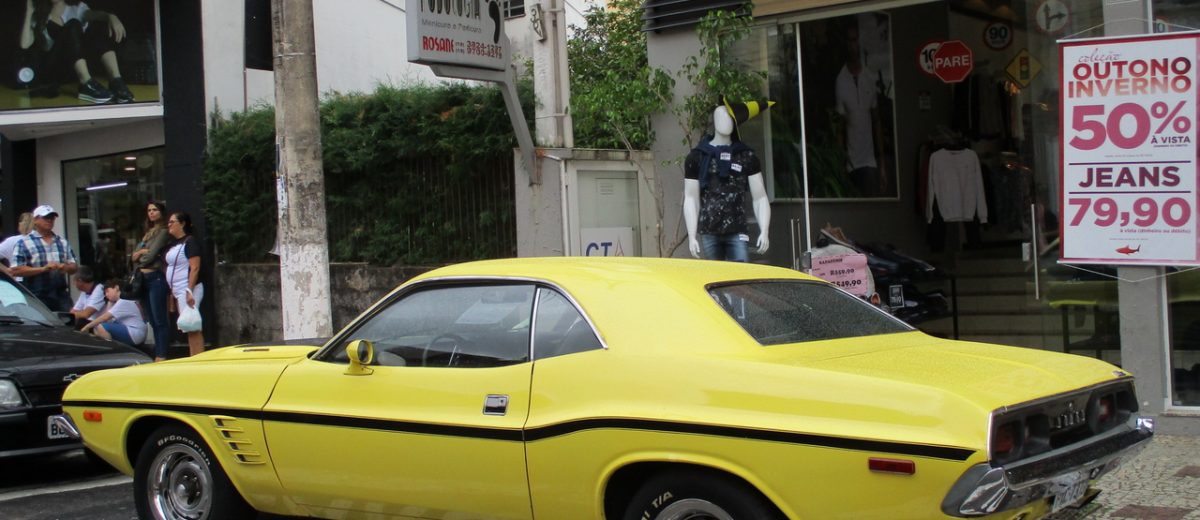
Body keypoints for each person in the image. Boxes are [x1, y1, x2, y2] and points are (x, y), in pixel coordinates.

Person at [683, 98, 772, 262]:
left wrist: (764, 231)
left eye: (729, 117)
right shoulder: (697, 157)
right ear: (714, 120)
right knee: (715, 275)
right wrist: (692, 236)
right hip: (709, 231)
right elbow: (690, 198)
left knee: (741, 275)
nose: (725, 120)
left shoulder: (746, 156)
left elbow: (760, 197)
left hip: (738, 230)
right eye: (721, 116)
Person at [19, 0, 134, 104]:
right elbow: (24, 44)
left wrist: (111, 16)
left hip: (74, 71)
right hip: (55, 70)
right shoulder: (39, 15)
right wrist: (29, 11)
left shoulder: (76, 8)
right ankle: (86, 84)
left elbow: (95, 15)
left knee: (98, 28)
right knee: (73, 25)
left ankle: (116, 81)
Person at [835, 18, 887, 197]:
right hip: (851, 165)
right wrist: (841, 166)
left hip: (869, 162)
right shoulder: (841, 81)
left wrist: (882, 166)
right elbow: (840, 128)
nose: (853, 45)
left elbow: (876, 121)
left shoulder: (869, 77)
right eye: (849, 41)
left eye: (855, 40)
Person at [11, 205, 78, 312]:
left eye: (52, 218)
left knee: (67, 320)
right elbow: (15, 270)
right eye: (46, 217)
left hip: (60, 294)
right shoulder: (24, 243)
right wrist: (43, 269)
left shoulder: (62, 242)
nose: (49, 220)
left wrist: (64, 267)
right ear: (35, 220)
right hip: (36, 295)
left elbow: (74, 267)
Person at [131, 201, 171, 361]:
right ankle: (158, 353)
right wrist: (141, 252)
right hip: (143, 279)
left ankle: (162, 354)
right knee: (152, 320)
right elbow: (133, 256)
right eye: (149, 210)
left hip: (155, 277)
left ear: (161, 212)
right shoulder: (148, 233)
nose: (152, 213)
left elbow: (150, 256)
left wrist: (140, 255)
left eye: (155, 210)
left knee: (160, 319)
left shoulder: (163, 232)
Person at [165, 212, 204, 356]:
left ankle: (198, 357)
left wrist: (189, 290)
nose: (169, 225)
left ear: (182, 224)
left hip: (187, 288)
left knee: (192, 325)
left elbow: (195, 267)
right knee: (188, 325)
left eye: (172, 222)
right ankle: (194, 356)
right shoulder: (175, 243)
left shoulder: (190, 241)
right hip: (178, 290)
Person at [80, 279, 145, 347]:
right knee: (97, 328)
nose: (106, 295)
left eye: (107, 291)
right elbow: (108, 321)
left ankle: (110, 348)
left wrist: (86, 327)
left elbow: (104, 318)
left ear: (116, 288)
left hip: (135, 333)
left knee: (101, 326)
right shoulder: (120, 301)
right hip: (132, 332)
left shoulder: (124, 301)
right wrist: (110, 302)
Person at [0, 212, 35, 281]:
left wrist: (8, 271)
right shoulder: (42, 239)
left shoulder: (11, 241)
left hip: (19, 280)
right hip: (38, 279)